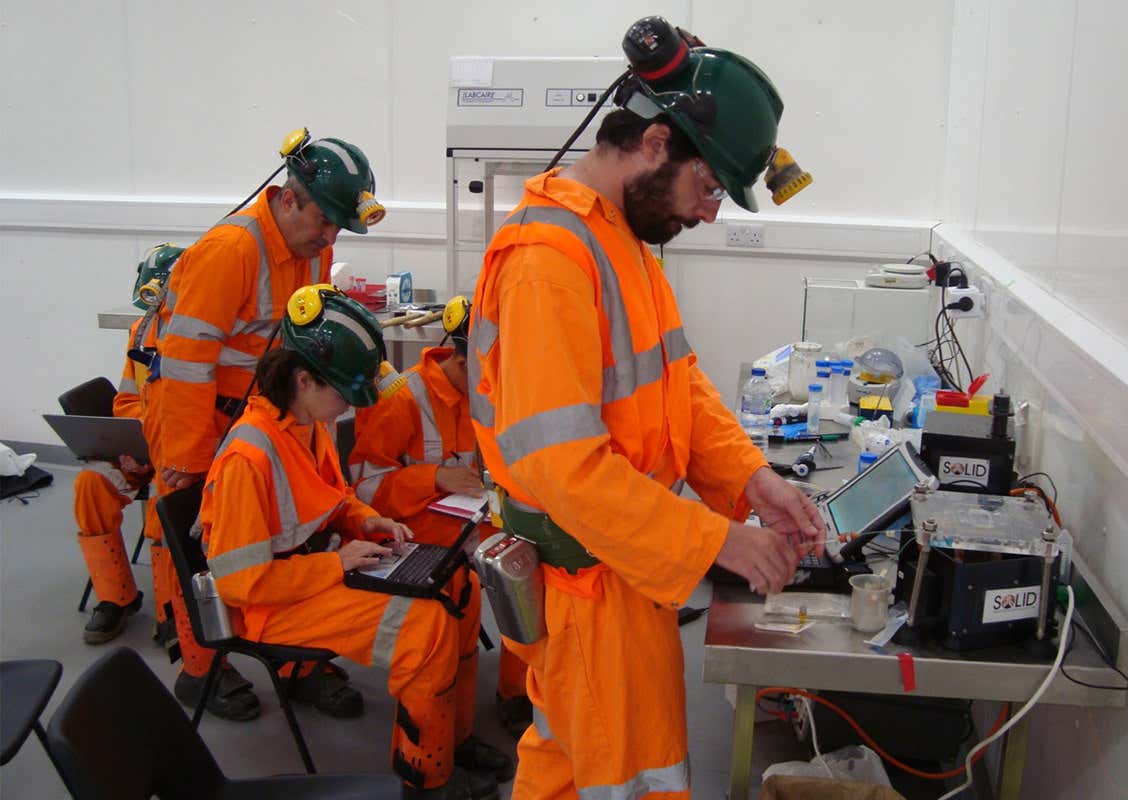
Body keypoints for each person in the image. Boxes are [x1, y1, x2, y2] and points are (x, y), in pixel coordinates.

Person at [467, 18, 826, 798]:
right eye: (708, 188)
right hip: (586, 587)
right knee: (624, 777)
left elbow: (679, 387)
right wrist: (717, 541)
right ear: (658, 142)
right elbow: (564, 468)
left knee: (569, 766)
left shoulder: (618, 242)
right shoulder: (548, 266)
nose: (708, 214)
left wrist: (752, 481)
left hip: (622, 572)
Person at [199, 286, 510, 800]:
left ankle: (453, 738)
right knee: (424, 626)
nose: (349, 408)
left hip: (315, 573)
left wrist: (367, 522)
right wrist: (338, 563)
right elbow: (238, 583)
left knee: (460, 586)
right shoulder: (247, 459)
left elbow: (337, 498)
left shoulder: (306, 423)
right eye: (344, 393)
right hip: (271, 606)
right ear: (304, 380)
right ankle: (426, 775)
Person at [142, 132, 386, 721]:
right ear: (288, 197)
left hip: (266, 413)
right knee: (203, 550)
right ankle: (200, 672)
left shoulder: (312, 249)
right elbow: (183, 365)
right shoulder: (231, 251)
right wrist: (190, 458)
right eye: (324, 222)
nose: (329, 239)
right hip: (196, 420)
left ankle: (298, 664)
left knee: (290, 530)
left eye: (336, 229)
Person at [347, 296, 532, 738]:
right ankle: (451, 731)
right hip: (412, 525)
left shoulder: (490, 393)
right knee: (460, 589)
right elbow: (364, 489)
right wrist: (435, 478)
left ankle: (518, 691)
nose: (497, 386)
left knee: (526, 561)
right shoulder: (399, 399)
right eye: (491, 373)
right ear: (462, 358)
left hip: (474, 516)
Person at [74, 244, 184, 644]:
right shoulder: (141, 333)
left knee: (163, 500)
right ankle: (115, 597)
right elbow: (126, 400)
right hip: (140, 450)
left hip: (182, 457)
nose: (155, 317)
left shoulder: (207, 342)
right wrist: (134, 443)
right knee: (90, 485)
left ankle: (173, 608)